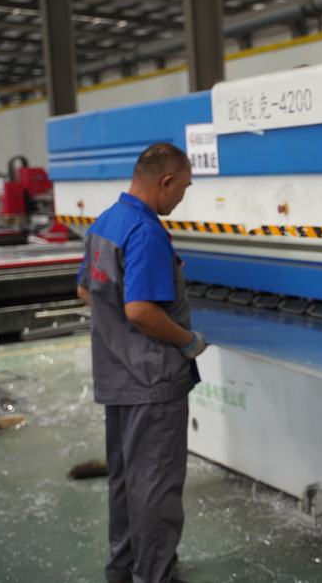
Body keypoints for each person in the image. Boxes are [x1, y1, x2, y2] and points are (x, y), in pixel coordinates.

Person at [76, 143, 208, 583]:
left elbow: (86, 290)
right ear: (166, 182)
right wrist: (188, 341)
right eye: (184, 187)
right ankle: (155, 575)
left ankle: (123, 568)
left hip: (117, 375)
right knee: (156, 485)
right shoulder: (146, 231)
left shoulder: (105, 223)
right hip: (152, 382)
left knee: (126, 480)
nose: (183, 197)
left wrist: (117, 332)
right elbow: (140, 311)